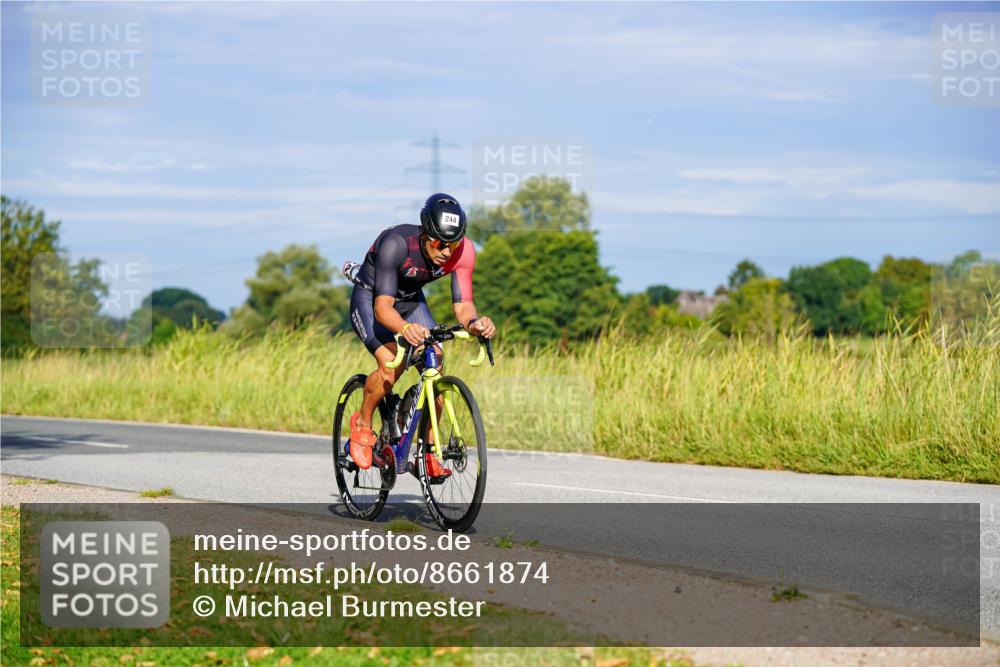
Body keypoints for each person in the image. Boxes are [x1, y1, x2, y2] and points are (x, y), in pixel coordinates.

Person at [345, 193, 496, 481]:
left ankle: (427, 452)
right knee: (391, 363)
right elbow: (383, 308)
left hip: (411, 300)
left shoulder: (463, 252)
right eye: (439, 242)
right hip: (372, 297)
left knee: (435, 362)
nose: (446, 251)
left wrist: (475, 324)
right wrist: (404, 329)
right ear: (425, 233)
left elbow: (463, 307)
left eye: (452, 243)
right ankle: (362, 423)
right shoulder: (397, 243)